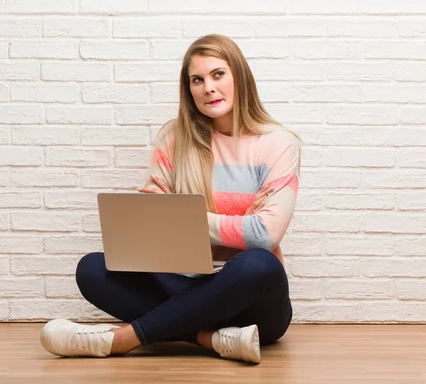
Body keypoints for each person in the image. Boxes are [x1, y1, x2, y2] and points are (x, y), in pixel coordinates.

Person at [40, 34, 302, 364]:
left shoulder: (280, 143)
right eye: (197, 79)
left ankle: (125, 338)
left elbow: (265, 234)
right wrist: (160, 223)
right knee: (91, 269)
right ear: (189, 90)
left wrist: (184, 220)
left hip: (252, 302)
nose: (208, 87)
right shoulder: (174, 138)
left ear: (240, 76)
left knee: (258, 262)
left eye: (218, 74)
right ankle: (208, 339)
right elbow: (151, 219)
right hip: (181, 283)